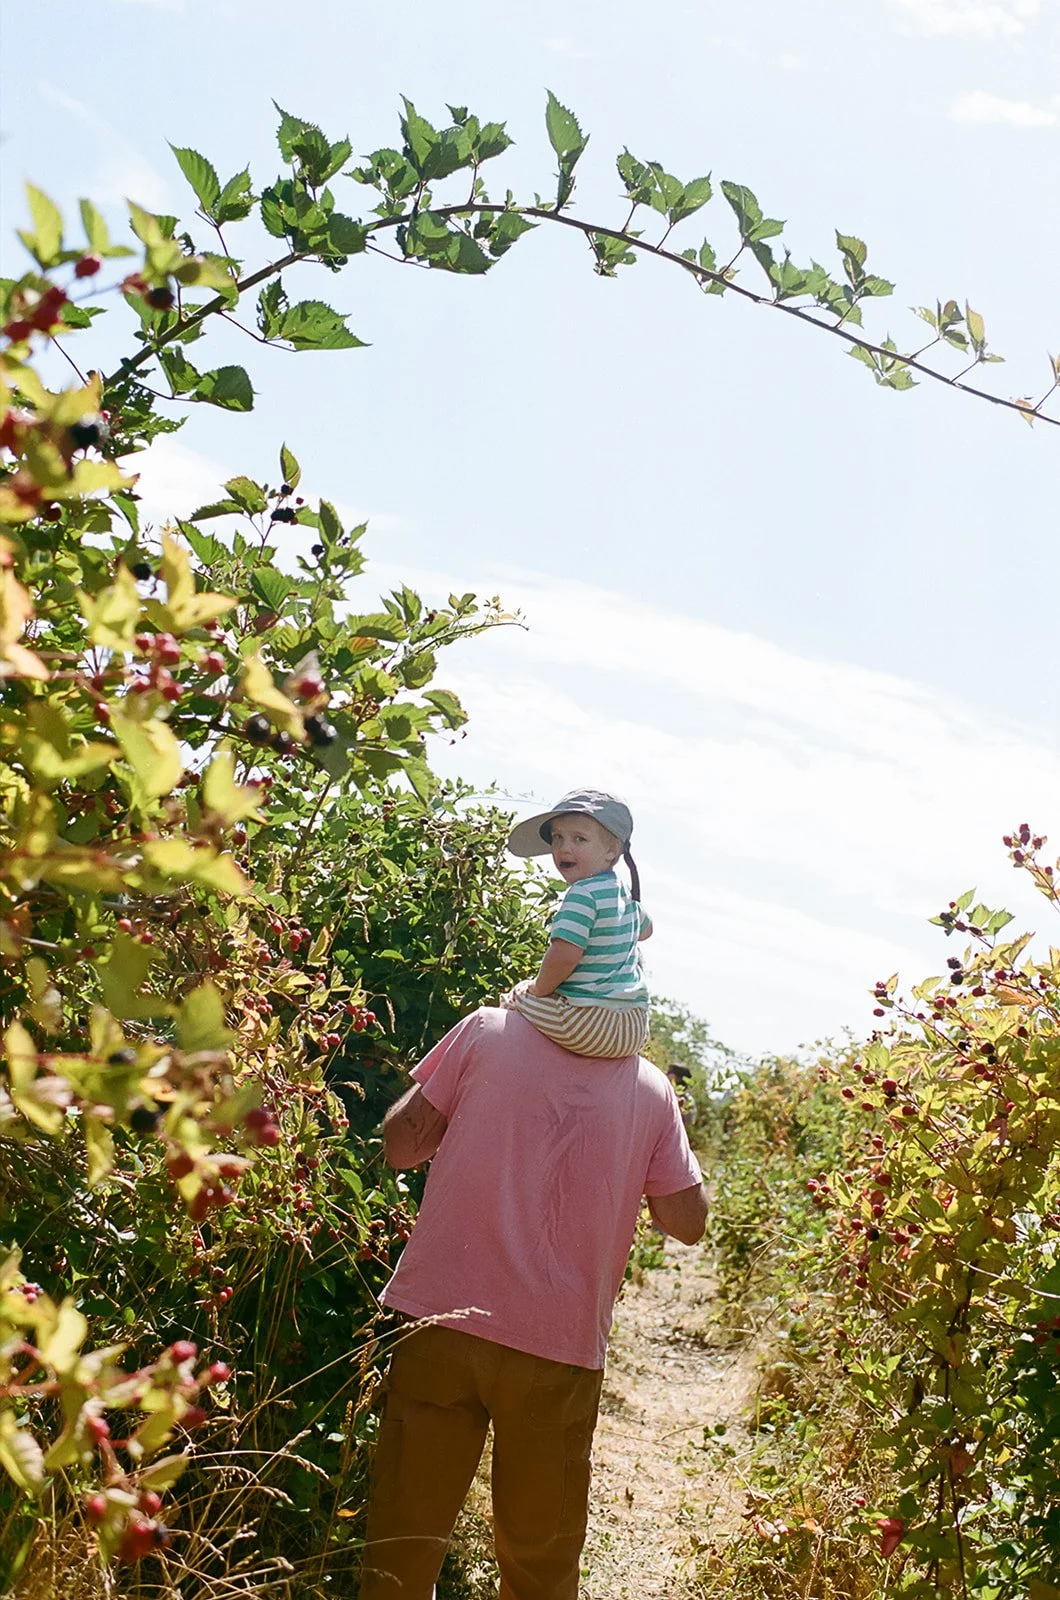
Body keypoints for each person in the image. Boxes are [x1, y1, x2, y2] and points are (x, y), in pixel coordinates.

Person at [357, 1003, 708, 1600]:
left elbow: (400, 1146)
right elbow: (687, 1222)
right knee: (540, 1559)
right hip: (558, 1349)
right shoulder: (649, 1089)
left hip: (443, 1324)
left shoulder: (486, 1032)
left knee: (403, 1541)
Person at [504, 789, 652, 1060]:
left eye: (579, 839)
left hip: (590, 1022)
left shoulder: (582, 894)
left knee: (514, 997)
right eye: (557, 838)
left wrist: (538, 990)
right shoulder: (623, 895)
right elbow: (647, 931)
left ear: (611, 850)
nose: (563, 848)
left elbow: (564, 955)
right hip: (634, 1026)